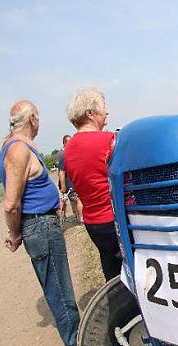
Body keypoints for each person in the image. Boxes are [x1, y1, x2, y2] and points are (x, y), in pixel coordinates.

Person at [0, 100, 79, 346]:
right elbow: (11, 204)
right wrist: (15, 233)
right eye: (38, 117)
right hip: (40, 225)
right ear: (32, 119)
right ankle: (76, 341)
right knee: (58, 285)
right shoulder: (18, 150)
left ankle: (73, 335)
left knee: (55, 283)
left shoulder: (9, 145)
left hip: (40, 223)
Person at [63, 88, 122, 281]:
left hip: (93, 223)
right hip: (115, 220)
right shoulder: (109, 140)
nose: (107, 112)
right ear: (90, 113)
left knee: (110, 270)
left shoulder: (68, 149)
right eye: (103, 107)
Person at [57, 134, 82, 223]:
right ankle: (80, 218)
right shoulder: (63, 155)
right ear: (64, 143)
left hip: (69, 182)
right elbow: (61, 171)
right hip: (68, 183)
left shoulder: (63, 153)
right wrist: (63, 186)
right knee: (77, 199)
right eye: (70, 142)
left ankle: (74, 216)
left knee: (71, 200)